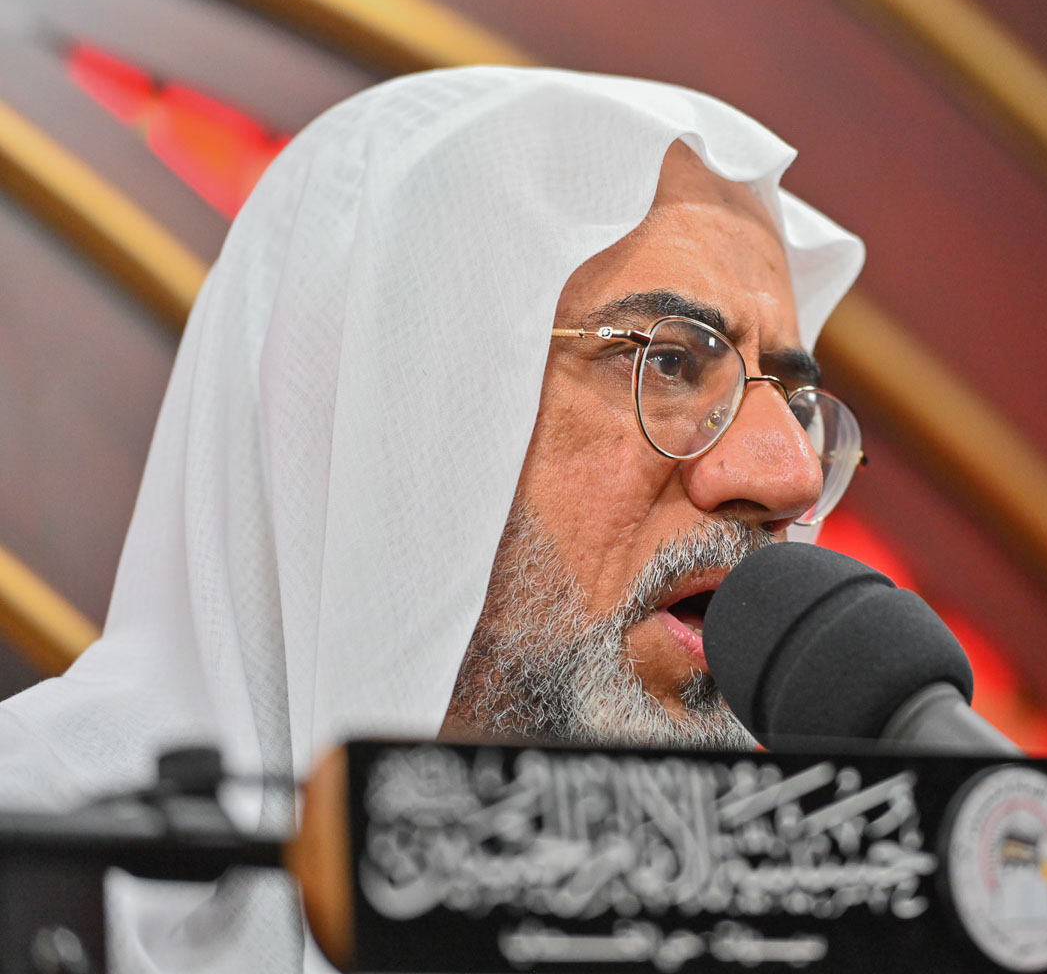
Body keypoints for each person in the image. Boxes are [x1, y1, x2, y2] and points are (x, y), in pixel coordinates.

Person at [0, 67, 863, 972]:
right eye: (672, 362)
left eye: (791, 397)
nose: (790, 474)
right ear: (394, 414)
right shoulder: (39, 857)